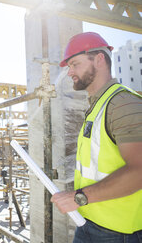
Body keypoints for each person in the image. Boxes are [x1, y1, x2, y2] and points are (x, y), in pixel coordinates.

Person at [51, 32, 142, 242]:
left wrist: (80, 197)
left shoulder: (122, 104)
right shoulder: (97, 107)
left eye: (75, 64)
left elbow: (139, 171)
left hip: (118, 233)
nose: (70, 72)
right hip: (89, 222)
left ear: (99, 59)